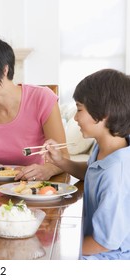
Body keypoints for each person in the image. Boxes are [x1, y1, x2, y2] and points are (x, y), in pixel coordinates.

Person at [44, 69, 130, 260]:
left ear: (104, 114)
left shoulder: (116, 174)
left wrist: (57, 247)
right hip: (95, 242)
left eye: (80, 109)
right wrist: (60, 161)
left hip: (109, 257)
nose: (75, 117)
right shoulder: (106, 146)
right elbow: (90, 172)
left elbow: (104, 243)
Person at [0, 35, 68, 181]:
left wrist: (47, 169)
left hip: (30, 188)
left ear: (3, 70)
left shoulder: (42, 98)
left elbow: (64, 158)